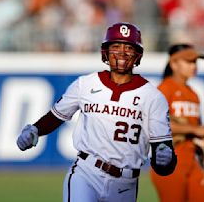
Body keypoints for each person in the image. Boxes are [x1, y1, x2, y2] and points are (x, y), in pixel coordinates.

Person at [16, 22, 177, 202]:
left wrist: (166, 160)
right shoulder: (85, 84)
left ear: (137, 54)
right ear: (105, 51)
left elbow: (163, 155)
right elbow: (56, 116)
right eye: (116, 46)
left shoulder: (153, 97)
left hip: (126, 184)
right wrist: (35, 129)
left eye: (128, 47)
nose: (122, 52)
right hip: (87, 173)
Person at [150, 43, 204, 202]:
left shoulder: (193, 94)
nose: (194, 66)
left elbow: (196, 132)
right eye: (189, 61)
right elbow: (155, 124)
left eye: (195, 62)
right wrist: (195, 130)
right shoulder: (164, 90)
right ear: (173, 63)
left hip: (192, 160)